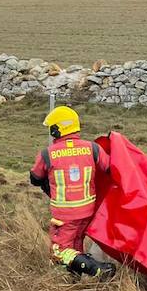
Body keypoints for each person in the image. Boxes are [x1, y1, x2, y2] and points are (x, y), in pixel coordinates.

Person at [29, 105, 115, 277]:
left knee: (59, 251)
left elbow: (35, 178)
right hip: (88, 211)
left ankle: (96, 270)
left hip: (64, 214)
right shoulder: (92, 148)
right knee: (76, 244)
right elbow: (111, 169)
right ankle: (72, 278)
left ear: (57, 129)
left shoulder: (48, 153)